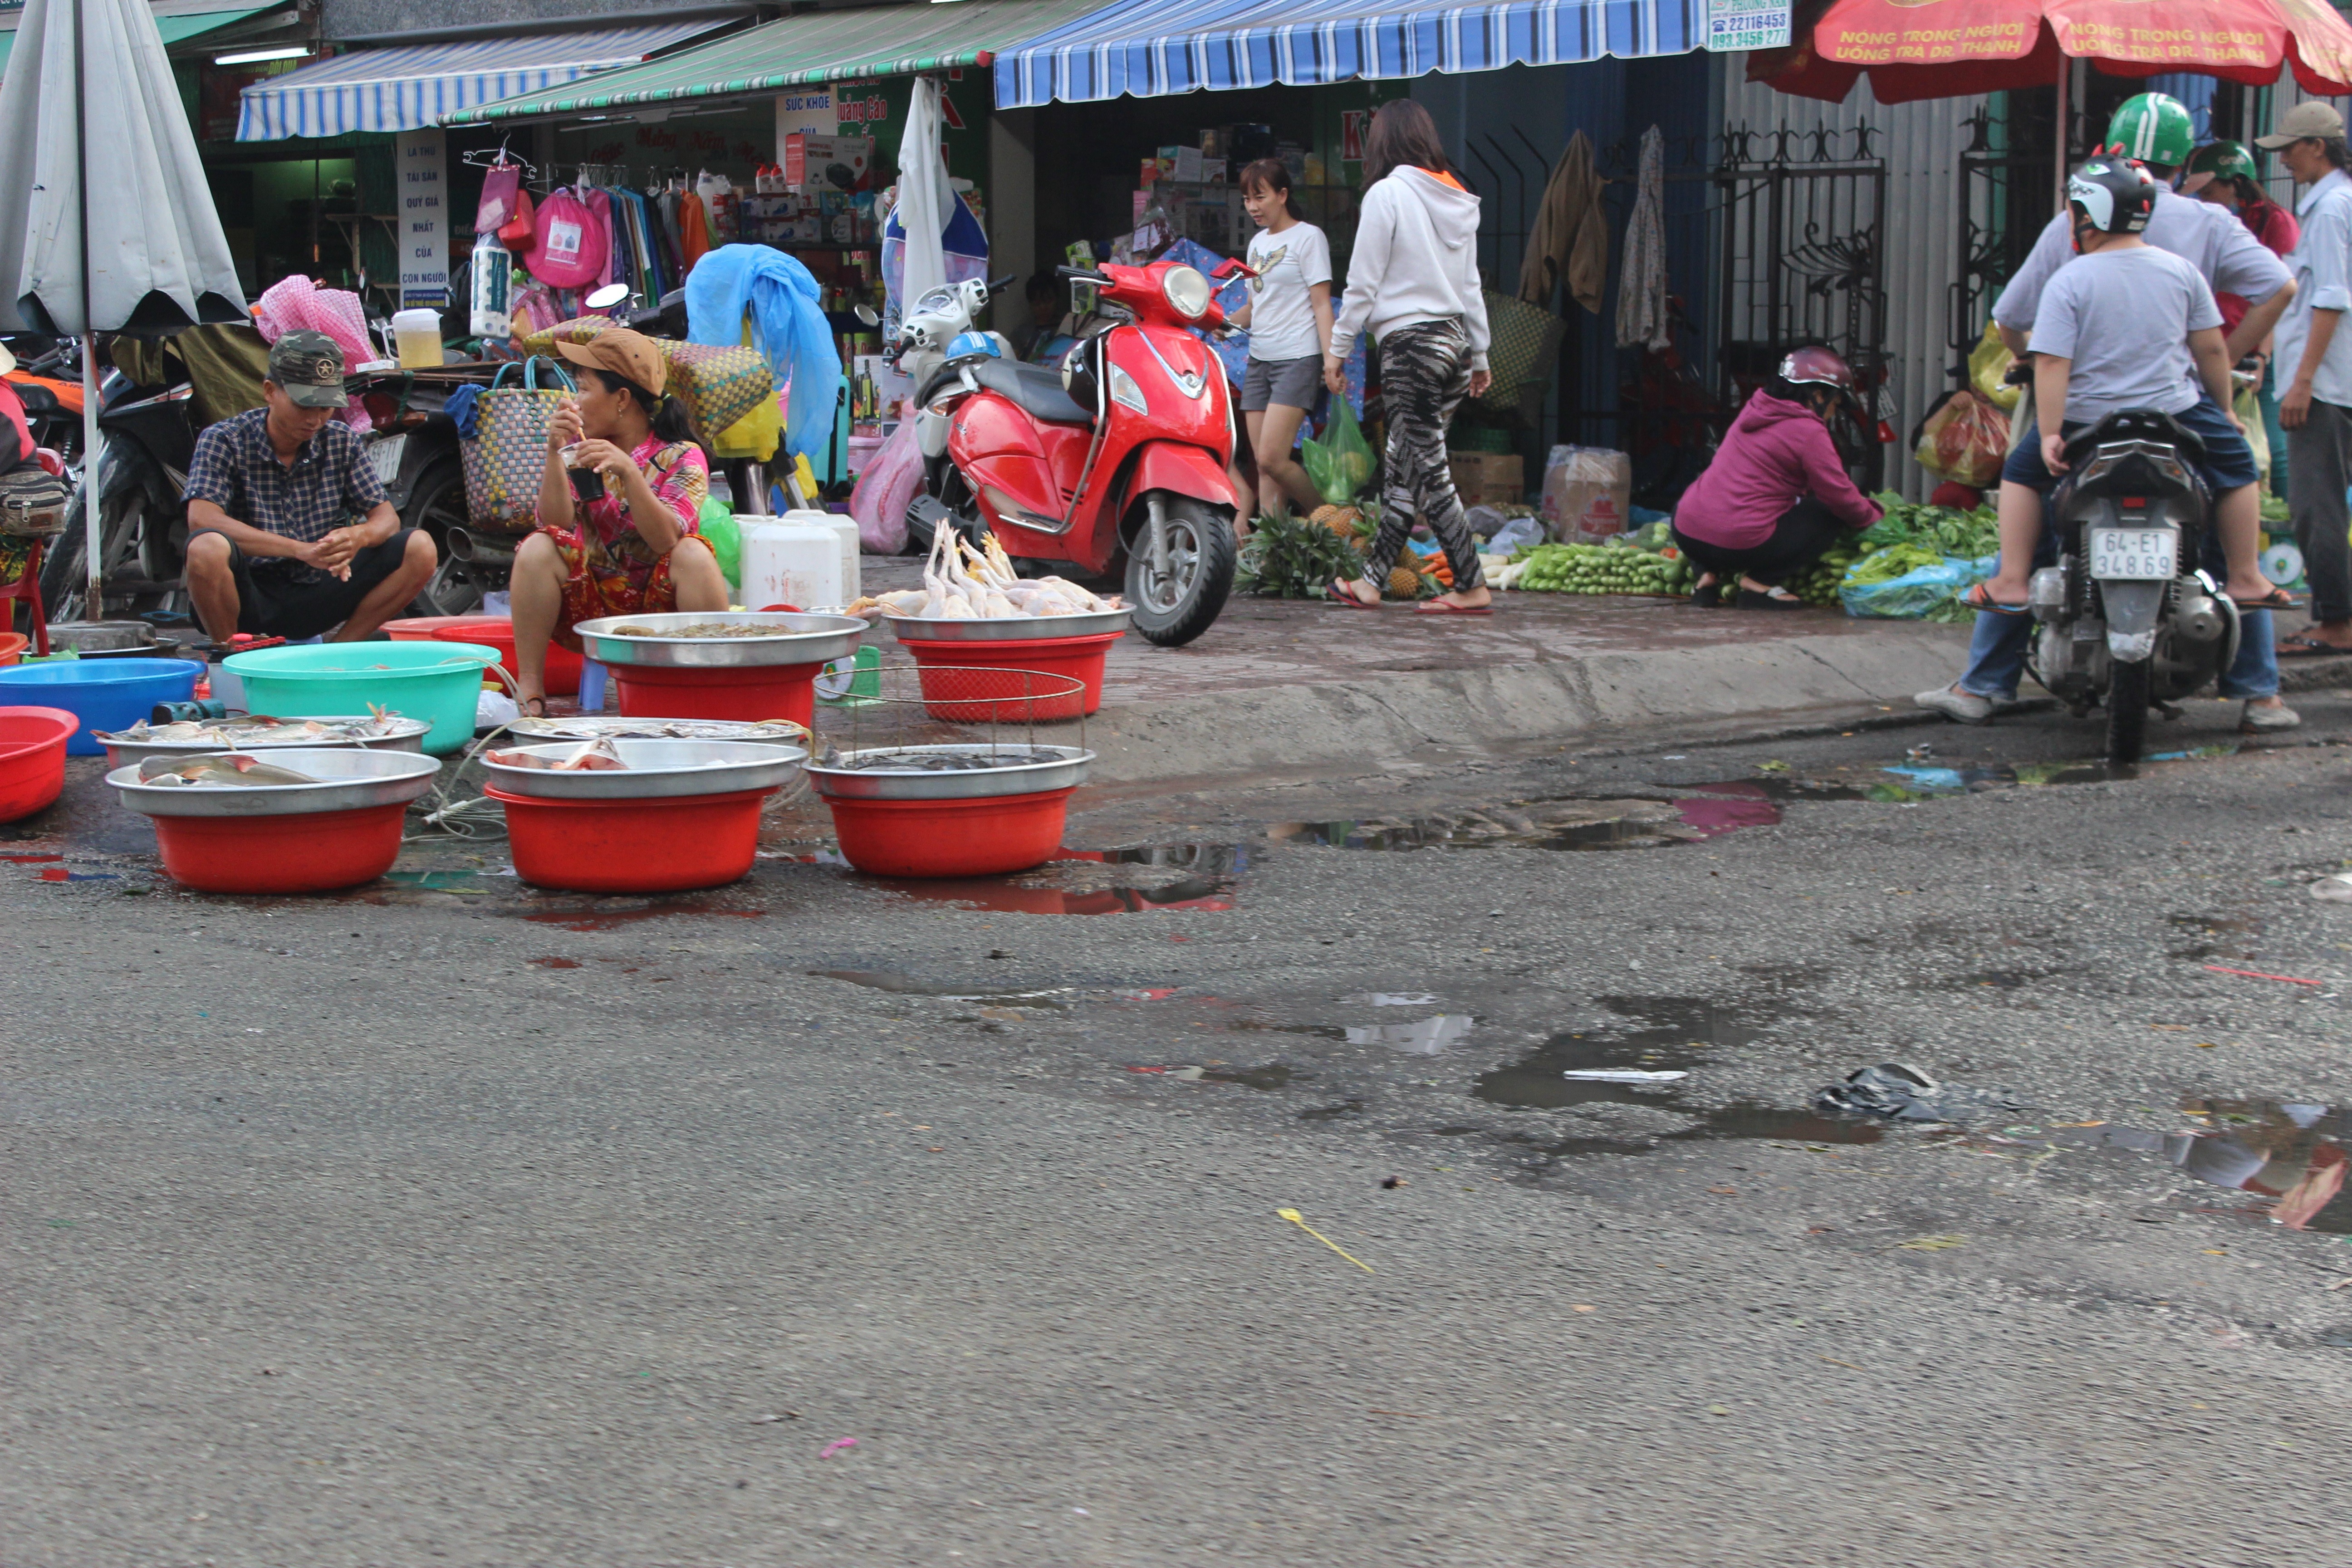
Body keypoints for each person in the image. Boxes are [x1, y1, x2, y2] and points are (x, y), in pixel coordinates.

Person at [1919, 93, 2297, 729]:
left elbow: (2015, 322)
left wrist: (2036, 378)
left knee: (2037, 522)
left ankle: (1983, 685)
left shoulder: (2070, 244)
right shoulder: (2201, 235)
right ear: (2185, 164)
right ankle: (2260, 692)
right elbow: (2277, 291)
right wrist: (2222, 377)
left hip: (2085, 416)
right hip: (2180, 407)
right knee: (2220, 533)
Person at [1323, 99, 1494, 615]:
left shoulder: (1387, 194)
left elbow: (1363, 282)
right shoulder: (1457, 197)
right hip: (1453, 346)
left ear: (1383, 142)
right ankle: (1373, 581)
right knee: (1405, 468)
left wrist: (1338, 348)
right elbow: (1470, 285)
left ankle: (1471, 583)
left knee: (1428, 471)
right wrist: (1481, 353)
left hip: (1411, 349)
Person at [509, 328, 730, 715]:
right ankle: (530, 689)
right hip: (592, 608)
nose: (575, 402)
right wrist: (554, 453)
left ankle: (713, 691)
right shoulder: (583, 450)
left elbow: (665, 539)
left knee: (694, 553)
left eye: (584, 389)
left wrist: (629, 472)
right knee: (538, 546)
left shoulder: (683, 456)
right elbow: (554, 523)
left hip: (663, 610)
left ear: (622, 399)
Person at [182, 331, 438, 645]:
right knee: (206, 548)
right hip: (249, 597)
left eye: (326, 408)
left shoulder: (340, 440)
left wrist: (356, 537)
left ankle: (337, 653)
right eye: (305, 406)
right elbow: (202, 520)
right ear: (269, 391)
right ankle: (231, 657)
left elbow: (387, 519)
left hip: (315, 590)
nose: (316, 420)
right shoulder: (224, 439)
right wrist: (299, 550)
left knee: (420, 547)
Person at [1669, 347, 1882, 609]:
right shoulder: (1808, 430)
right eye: (1835, 403)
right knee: (1829, 512)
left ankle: (1707, 577)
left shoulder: (1756, 408)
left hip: (1686, 534)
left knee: (1706, 503)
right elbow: (1839, 495)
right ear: (1817, 395)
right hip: (1740, 544)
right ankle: (1759, 583)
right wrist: (1873, 518)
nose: (1834, 412)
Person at [2261, 101, 2352, 658]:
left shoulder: (2332, 209)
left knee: (2314, 505)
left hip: (2325, 385)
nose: (2287, 160)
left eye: (2292, 149)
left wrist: (2302, 382)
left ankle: (2337, 622)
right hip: (2335, 378)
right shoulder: (2338, 202)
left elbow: (2332, 299)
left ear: (2317, 147)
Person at [2185, 138, 2299, 498]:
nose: (2201, 199)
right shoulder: (2207, 221)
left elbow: (2279, 293)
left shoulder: (2276, 223)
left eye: (2208, 190)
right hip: (2212, 346)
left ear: (2233, 184)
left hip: (2253, 348)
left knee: (2273, 450)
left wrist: (2260, 357)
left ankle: (2284, 531)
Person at [1225, 158, 1334, 524]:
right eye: (1246, 199)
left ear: (1283, 195)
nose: (1253, 207)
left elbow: (1322, 305)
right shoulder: (1256, 244)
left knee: (1273, 458)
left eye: (1260, 197)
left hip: (1298, 359)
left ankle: (1330, 519)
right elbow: (1254, 306)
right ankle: (1274, 558)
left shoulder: (1309, 237)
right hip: (1260, 360)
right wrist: (1219, 321)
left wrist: (1331, 360)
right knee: (1264, 467)